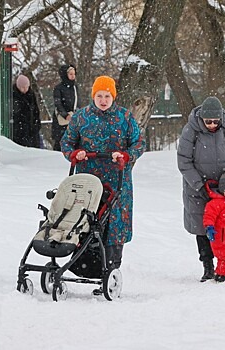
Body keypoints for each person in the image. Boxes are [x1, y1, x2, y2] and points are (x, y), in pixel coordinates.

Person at [60, 75, 145, 293]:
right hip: (88, 180)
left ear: (113, 96)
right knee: (86, 220)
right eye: (99, 96)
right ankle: (83, 263)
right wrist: (74, 153)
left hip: (117, 180)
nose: (103, 100)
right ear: (93, 96)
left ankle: (111, 268)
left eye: (107, 96)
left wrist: (127, 156)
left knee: (114, 223)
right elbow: (67, 142)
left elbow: (138, 142)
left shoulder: (124, 117)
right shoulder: (81, 117)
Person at [177, 96, 225, 282]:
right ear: (202, 119)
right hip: (198, 188)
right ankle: (207, 266)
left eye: (216, 121)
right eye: (208, 122)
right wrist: (198, 185)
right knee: (203, 227)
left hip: (224, 188)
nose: (213, 125)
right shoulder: (191, 130)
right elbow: (184, 161)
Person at [52, 64, 79, 151]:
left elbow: (78, 102)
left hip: (73, 118)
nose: (73, 76)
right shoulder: (58, 88)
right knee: (60, 141)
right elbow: (58, 104)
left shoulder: (75, 87)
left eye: (74, 74)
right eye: (70, 74)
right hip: (62, 121)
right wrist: (65, 115)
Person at [12, 74, 41, 148]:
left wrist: (37, 124)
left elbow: (36, 110)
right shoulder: (14, 95)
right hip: (19, 128)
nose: (25, 89)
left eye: (26, 87)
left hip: (32, 128)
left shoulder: (31, 94)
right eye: (22, 87)